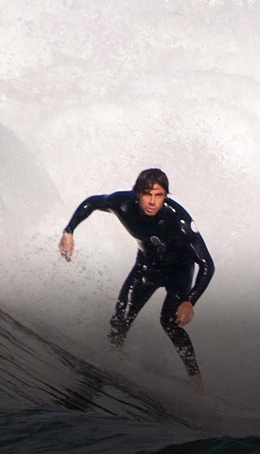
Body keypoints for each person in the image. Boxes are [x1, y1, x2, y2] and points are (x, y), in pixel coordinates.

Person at [58, 168, 214, 394]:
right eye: (147, 194)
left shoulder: (178, 218)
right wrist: (69, 231)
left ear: (165, 196)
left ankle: (197, 382)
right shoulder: (122, 204)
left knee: (169, 321)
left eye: (158, 195)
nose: (152, 202)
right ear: (136, 194)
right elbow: (92, 202)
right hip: (146, 268)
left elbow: (208, 264)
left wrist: (190, 301)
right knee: (121, 318)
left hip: (179, 270)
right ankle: (108, 364)